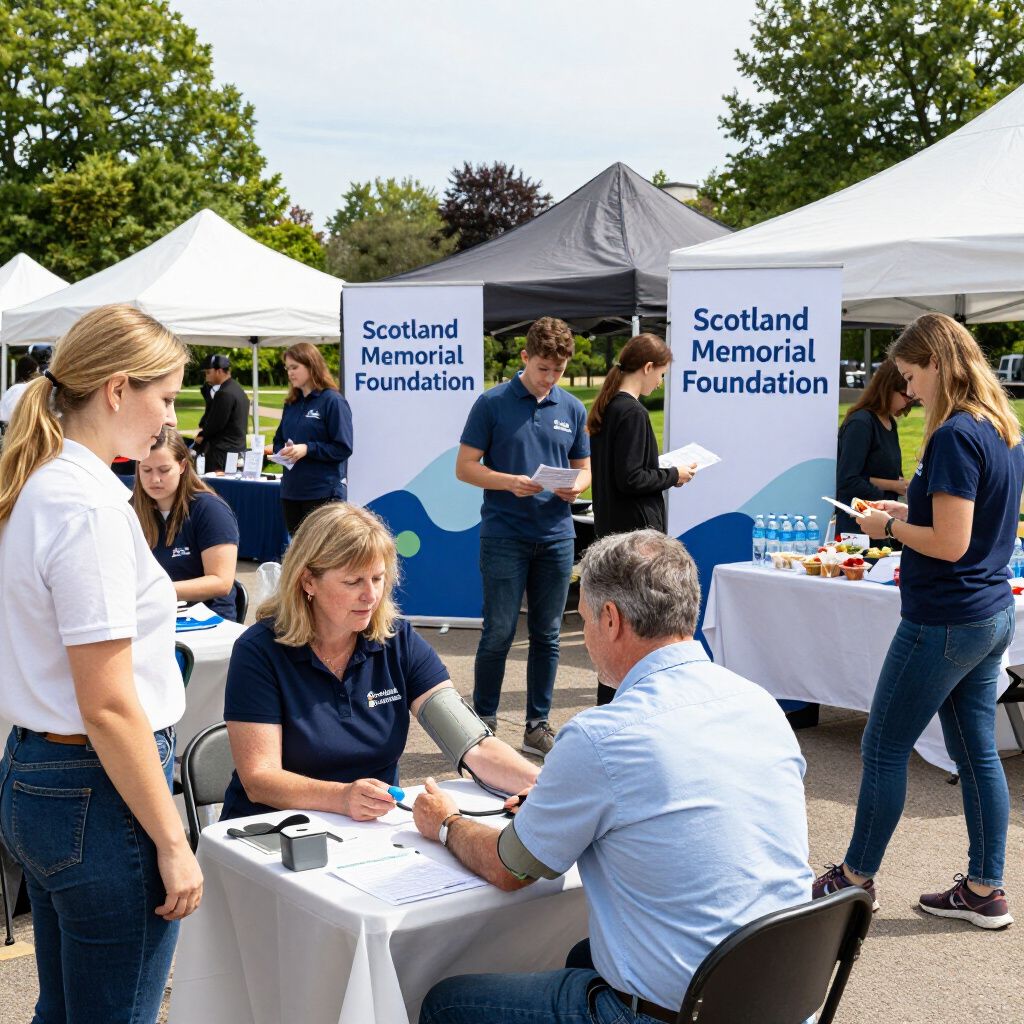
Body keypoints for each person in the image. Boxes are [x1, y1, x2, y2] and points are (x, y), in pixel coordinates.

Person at [412, 530, 813, 1024]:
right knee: (583, 954)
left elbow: (508, 868)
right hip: (782, 995)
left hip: (677, 1010)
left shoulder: (604, 736)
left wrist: (447, 822)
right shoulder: (758, 703)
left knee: (446, 1003)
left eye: (583, 618)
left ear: (610, 619)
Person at [0, 304, 203, 1023]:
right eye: (167, 397)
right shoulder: (83, 504)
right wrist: (173, 842)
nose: (169, 420)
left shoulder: (43, 482)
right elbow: (110, 704)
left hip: (48, 777)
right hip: (97, 786)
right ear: (118, 389)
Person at [813, 313, 1023, 929]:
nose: (907, 390)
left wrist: (888, 529)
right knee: (976, 753)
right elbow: (973, 520)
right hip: (986, 612)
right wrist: (907, 507)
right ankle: (986, 889)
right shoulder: (1000, 428)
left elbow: (952, 542)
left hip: (946, 617)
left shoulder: (956, 433)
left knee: (882, 745)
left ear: (934, 362)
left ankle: (853, 879)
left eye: (909, 376)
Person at [221, 502, 539, 821]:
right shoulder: (259, 651)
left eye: (378, 578)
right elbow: (260, 780)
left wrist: (546, 787)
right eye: (353, 582)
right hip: (272, 832)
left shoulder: (397, 640)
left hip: (369, 829)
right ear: (308, 582)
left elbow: (475, 746)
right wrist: (342, 797)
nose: (371, 596)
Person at [456, 317, 591, 757]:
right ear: (524, 358)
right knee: (498, 631)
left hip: (556, 535)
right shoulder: (491, 403)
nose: (550, 379)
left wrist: (578, 486)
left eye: (558, 370)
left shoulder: (571, 407)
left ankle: (537, 725)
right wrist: (507, 481)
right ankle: (483, 723)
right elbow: (465, 467)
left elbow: (584, 468)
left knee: (548, 635)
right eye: (542, 369)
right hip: (504, 535)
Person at [587, 332, 695, 705]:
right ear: (648, 368)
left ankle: (611, 710)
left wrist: (660, 470)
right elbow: (631, 477)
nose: (660, 382)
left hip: (614, 530)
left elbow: (624, 472)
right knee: (636, 635)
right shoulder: (631, 411)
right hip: (635, 537)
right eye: (661, 374)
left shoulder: (609, 408)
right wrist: (673, 474)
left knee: (616, 635)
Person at [133, 427, 241, 621]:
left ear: (182, 466)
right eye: (146, 470)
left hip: (206, 620)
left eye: (164, 470)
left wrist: (156, 592)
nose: (155, 479)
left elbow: (221, 582)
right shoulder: (134, 509)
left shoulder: (209, 509)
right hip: (153, 615)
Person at [271, 341, 353, 536]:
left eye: (294, 367)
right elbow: (278, 439)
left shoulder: (332, 401)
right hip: (291, 492)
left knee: (321, 556)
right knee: (299, 554)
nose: (290, 373)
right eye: (287, 368)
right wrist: (282, 452)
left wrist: (307, 449)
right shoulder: (291, 403)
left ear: (311, 365)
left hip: (322, 493)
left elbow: (343, 447)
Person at [835, 359, 915, 535]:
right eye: (905, 396)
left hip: (882, 525)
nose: (908, 403)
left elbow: (885, 472)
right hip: (856, 528)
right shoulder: (861, 423)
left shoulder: (890, 423)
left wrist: (899, 484)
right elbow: (848, 480)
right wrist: (892, 494)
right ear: (887, 388)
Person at [193, 353, 249, 472]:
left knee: (216, 487)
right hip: (236, 449)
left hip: (222, 452)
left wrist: (202, 435)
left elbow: (215, 424)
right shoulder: (237, 389)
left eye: (208, 372)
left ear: (219, 371)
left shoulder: (224, 393)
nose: (206, 376)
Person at [0, 354, 40, 425]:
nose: (39, 374)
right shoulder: (19, 389)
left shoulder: (17, 388)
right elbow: (16, 416)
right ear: (29, 373)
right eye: (37, 371)